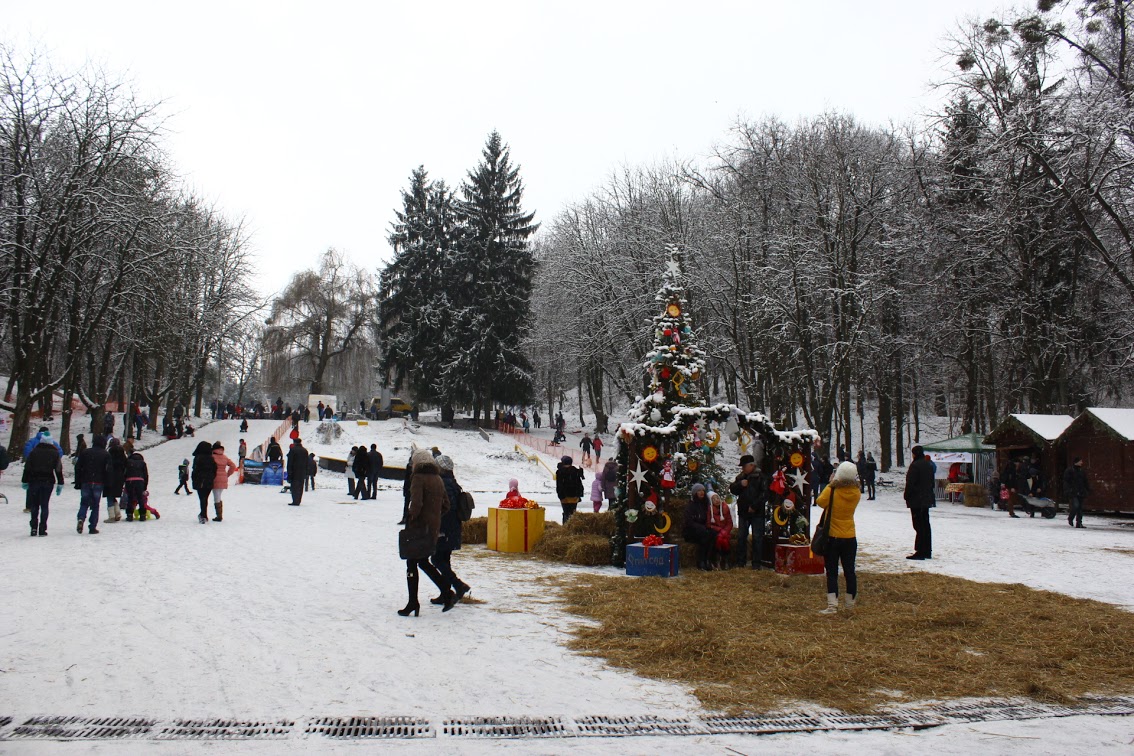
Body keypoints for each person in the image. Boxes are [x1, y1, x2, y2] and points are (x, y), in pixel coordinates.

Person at [399, 449, 453, 616]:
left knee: (412, 562)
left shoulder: (418, 478)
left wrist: (411, 518)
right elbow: (446, 505)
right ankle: (446, 590)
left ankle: (413, 602)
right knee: (422, 561)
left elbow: (416, 504)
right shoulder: (438, 478)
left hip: (419, 527)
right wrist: (433, 517)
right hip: (433, 527)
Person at [816, 460, 861, 613]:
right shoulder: (856, 492)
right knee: (849, 570)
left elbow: (820, 502)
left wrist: (830, 484)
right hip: (850, 535)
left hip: (833, 536)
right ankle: (850, 604)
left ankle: (832, 605)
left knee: (832, 571)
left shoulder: (832, 490)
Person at [430, 454, 471, 607]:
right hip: (452, 527)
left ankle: (458, 585)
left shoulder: (444, 483)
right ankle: (445, 593)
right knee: (444, 559)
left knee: (436, 559)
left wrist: (440, 528)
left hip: (446, 528)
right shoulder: (452, 482)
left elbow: (448, 508)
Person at [23, 431, 65, 536]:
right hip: (48, 481)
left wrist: (25, 480)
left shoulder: (34, 452)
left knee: (34, 505)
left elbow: (27, 468)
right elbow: (58, 469)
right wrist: (60, 482)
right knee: (44, 505)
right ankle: (42, 528)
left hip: (34, 481)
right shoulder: (54, 453)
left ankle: (33, 527)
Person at [729, 454, 767, 569]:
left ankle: (756, 563)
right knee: (741, 537)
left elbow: (764, 494)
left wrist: (754, 506)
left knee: (757, 538)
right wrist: (740, 484)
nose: (743, 469)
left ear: (751, 465)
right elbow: (733, 489)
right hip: (743, 512)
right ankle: (741, 562)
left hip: (757, 513)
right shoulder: (741, 477)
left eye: (744, 466)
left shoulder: (761, 477)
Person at [903, 445, 935, 560]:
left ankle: (920, 551)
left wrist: (906, 495)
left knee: (918, 526)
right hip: (926, 499)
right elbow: (932, 482)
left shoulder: (915, 466)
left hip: (917, 500)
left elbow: (910, 483)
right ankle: (927, 550)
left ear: (914, 454)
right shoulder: (928, 464)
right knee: (926, 525)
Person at [682, 483, 716, 571]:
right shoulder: (691, 506)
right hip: (691, 531)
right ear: (695, 493)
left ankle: (708, 559)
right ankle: (701, 561)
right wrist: (702, 528)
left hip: (703, 529)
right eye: (699, 491)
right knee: (704, 535)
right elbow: (689, 522)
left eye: (702, 490)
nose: (701, 492)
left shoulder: (706, 504)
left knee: (712, 534)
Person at [211, 441, 238, 522]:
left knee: (216, 497)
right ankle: (219, 514)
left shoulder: (212, 457)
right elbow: (233, 466)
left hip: (215, 478)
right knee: (218, 496)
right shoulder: (225, 457)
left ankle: (219, 516)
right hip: (223, 478)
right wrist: (227, 474)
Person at [191, 441, 217, 524]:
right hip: (209, 480)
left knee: (202, 498)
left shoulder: (198, 458)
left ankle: (203, 514)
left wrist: (194, 478)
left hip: (200, 480)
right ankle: (204, 514)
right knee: (205, 498)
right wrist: (212, 477)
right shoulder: (211, 458)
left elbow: (195, 470)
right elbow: (214, 469)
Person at [555, 455, 585, 524]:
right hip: (574, 496)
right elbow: (579, 484)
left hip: (564, 496)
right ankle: (571, 527)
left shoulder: (560, 472)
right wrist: (579, 494)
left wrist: (560, 495)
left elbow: (559, 485)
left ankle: (565, 527)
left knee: (566, 513)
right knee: (572, 513)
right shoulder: (575, 471)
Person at [707, 491, 733, 570]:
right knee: (719, 539)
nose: (717, 500)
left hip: (725, 531)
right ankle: (717, 560)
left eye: (717, 498)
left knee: (724, 539)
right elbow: (708, 524)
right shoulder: (710, 510)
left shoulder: (725, 508)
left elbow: (729, 522)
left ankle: (725, 560)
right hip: (717, 531)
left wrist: (725, 531)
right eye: (714, 499)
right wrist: (719, 530)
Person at [1063, 457, 1091, 528]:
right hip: (1073, 492)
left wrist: (1088, 489)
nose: (1082, 462)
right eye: (1080, 461)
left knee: (1080, 508)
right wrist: (1068, 490)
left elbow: (1085, 481)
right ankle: (1071, 518)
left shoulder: (1082, 471)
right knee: (1076, 506)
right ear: (1076, 462)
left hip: (1081, 491)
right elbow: (1066, 481)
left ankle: (1079, 523)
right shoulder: (1070, 470)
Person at [123, 449, 150, 521]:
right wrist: (145, 486)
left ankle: (129, 515)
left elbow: (124, 473)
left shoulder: (128, 462)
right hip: (140, 481)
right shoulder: (142, 463)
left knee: (130, 498)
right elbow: (146, 475)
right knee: (140, 498)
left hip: (130, 481)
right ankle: (142, 515)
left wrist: (125, 482)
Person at [104, 437, 127, 522]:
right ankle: (117, 513)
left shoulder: (108, 453)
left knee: (109, 495)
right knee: (113, 495)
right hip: (120, 477)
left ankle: (111, 516)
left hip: (110, 477)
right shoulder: (122, 453)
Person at [286, 438, 309, 505]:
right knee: (300, 487)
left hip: (294, 471)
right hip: (302, 472)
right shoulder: (305, 451)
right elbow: (307, 462)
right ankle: (298, 500)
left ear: (294, 442)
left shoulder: (293, 450)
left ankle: (295, 501)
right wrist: (306, 472)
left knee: (294, 487)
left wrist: (289, 472)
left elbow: (290, 462)